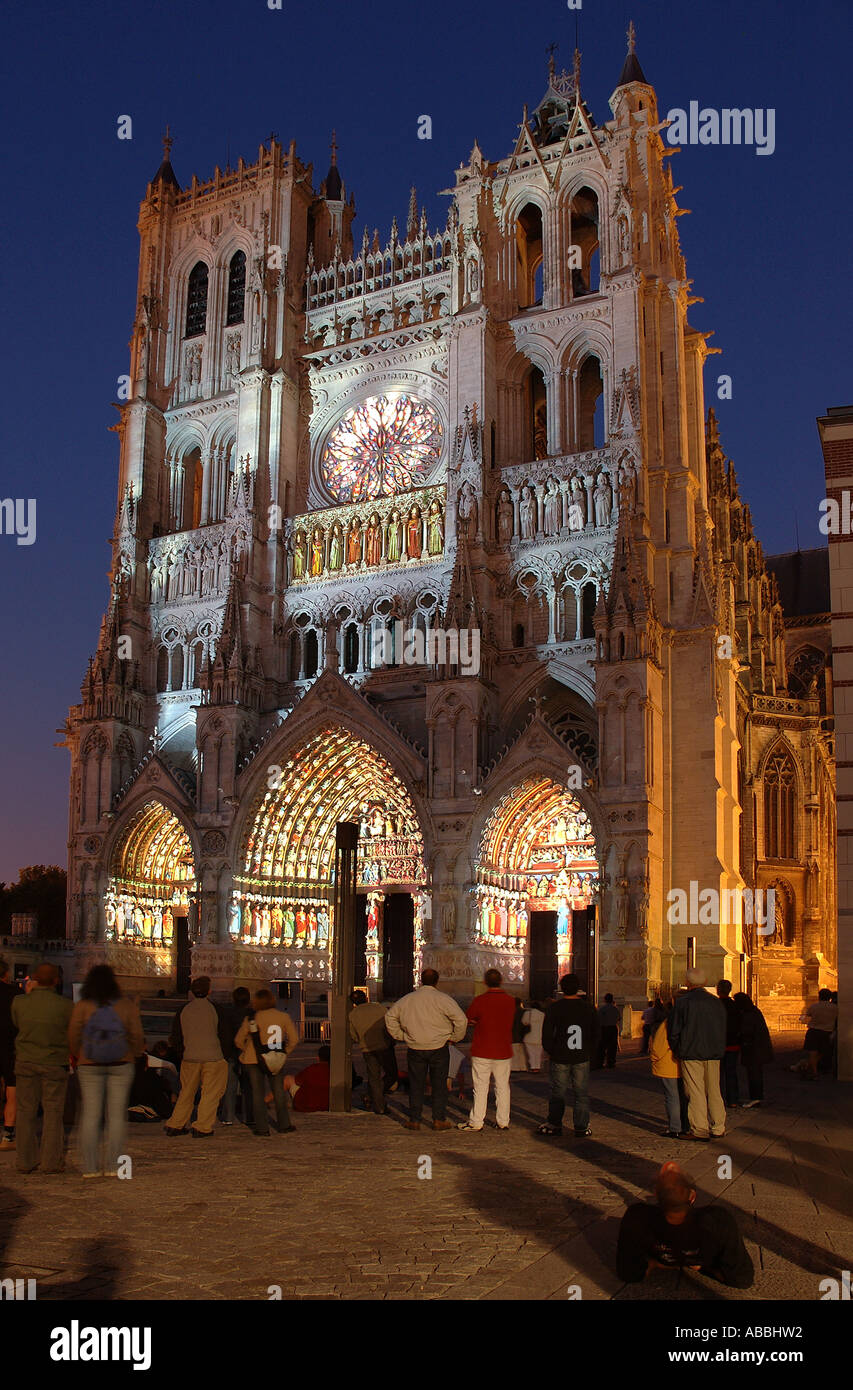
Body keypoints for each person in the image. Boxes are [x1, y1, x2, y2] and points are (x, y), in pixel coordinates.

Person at [617, 1162, 754, 1288]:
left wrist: (657, 1263)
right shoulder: (718, 1220)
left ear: (656, 1194)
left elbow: (629, 1273)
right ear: (692, 1196)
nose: (670, 1166)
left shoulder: (638, 1217)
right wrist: (701, 1267)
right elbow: (742, 1279)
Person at [69, 964, 144, 1177]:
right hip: (121, 1064)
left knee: (90, 1116)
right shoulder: (125, 1005)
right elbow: (137, 1034)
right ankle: (114, 1167)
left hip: (89, 1064)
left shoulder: (83, 1005)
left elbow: (73, 1034)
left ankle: (90, 1168)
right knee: (117, 1117)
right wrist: (134, 1054)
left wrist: (79, 1054)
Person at [385, 968, 468, 1131]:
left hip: (415, 1046)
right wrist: (454, 1037)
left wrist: (400, 1035)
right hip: (439, 1046)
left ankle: (415, 1119)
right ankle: (439, 1119)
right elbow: (461, 1020)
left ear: (421, 980)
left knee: (416, 1084)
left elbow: (390, 1016)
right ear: (437, 981)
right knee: (439, 1084)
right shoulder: (443, 999)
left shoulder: (408, 999)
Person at [11, 963, 73, 1174]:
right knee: (53, 1113)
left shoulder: (19, 1002)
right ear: (56, 981)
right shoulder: (65, 1006)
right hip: (55, 1063)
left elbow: (17, 1024)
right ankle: (51, 1162)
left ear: (34, 979)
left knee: (25, 1112)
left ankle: (25, 1161)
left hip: (26, 1060)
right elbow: (71, 1033)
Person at [165, 977, 229, 1138]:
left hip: (190, 1057)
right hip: (213, 1057)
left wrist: (182, 1053)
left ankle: (176, 1124)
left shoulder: (184, 1009)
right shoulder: (216, 1009)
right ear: (209, 991)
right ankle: (202, 1126)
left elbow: (176, 1035)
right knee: (210, 1093)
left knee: (186, 1092)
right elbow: (224, 1034)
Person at [537, 974, 600, 1137]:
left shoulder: (555, 1008)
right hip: (581, 1056)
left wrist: (552, 1050)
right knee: (581, 1093)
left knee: (558, 1092)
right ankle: (581, 1126)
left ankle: (555, 1123)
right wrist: (589, 1051)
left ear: (562, 988)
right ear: (578, 988)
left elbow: (547, 1034)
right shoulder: (588, 1008)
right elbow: (596, 1034)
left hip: (560, 1056)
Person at [668, 969, 726, 1141]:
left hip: (691, 1051)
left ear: (687, 983)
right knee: (714, 1090)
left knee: (695, 1091)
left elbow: (674, 1030)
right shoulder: (716, 1002)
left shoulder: (683, 1002)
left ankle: (699, 1129)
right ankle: (718, 1127)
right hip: (713, 1052)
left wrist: (677, 1049)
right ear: (705, 981)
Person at [458, 969, 517, 1132]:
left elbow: (469, 1018)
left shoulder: (480, 1000)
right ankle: (503, 1121)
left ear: (484, 982)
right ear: (501, 981)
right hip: (503, 1049)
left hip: (482, 1048)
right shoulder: (510, 1001)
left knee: (480, 1087)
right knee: (503, 1086)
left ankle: (477, 1121)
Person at [235, 988, 299, 1135]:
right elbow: (294, 1039)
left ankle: (262, 1128)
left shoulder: (251, 1019)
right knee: (278, 1092)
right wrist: (284, 1052)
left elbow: (238, 1040)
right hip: (275, 1057)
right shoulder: (283, 1017)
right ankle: (284, 1124)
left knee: (257, 1093)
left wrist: (246, 1050)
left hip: (253, 1059)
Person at [348, 989, 396, 1115]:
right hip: (384, 1046)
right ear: (366, 997)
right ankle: (372, 1096)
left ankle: (379, 1106)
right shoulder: (379, 1008)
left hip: (367, 1049)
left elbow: (353, 1035)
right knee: (392, 1074)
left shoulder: (353, 1014)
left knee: (373, 1077)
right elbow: (389, 1025)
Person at [219, 986, 253, 1126]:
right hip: (248, 1054)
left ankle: (228, 1116)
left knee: (230, 1087)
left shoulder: (227, 1014)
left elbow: (224, 1035)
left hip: (231, 1054)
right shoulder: (252, 1014)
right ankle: (249, 1116)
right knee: (248, 1086)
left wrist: (225, 1053)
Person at [650, 1013, 687, 1137]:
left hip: (669, 1063)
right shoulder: (688, 1019)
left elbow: (658, 1045)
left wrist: (654, 1058)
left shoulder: (669, 1022)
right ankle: (686, 1125)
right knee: (683, 1096)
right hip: (685, 1063)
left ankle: (675, 1127)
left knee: (672, 1096)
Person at [733, 993, 772, 1107]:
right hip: (758, 1048)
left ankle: (756, 1097)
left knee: (754, 1074)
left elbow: (747, 1032)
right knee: (756, 1073)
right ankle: (757, 1096)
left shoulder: (748, 1014)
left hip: (754, 1049)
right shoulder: (754, 1011)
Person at [0, 958, 20, 1150]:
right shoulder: (15, 993)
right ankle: (8, 1134)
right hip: (10, 1046)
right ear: (6, 974)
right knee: (12, 1089)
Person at [716, 979, 741, 1108]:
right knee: (731, 1073)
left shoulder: (715, 1005)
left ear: (718, 990)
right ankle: (733, 1099)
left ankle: (717, 1099)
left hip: (718, 1045)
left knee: (717, 1074)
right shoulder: (735, 1006)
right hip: (733, 1044)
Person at [284, 1044, 331, 1112]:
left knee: (288, 1079)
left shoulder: (312, 1068)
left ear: (318, 1058)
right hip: (326, 1105)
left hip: (306, 1105)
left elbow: (298, 1080)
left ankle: (266, 1101)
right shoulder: (334, 1071)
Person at [803, 989, 838, 1079]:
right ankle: (811, 1067)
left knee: (812, 1051)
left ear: (819, 996)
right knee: (823, 1051)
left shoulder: (814, 1006)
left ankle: (813, 1071)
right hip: (827, 1032)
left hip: (813, 1031)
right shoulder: (835, 1008)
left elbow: (807, 1015)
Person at [596, 992, 620, 1070]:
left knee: (602, 1046)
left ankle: (600, 1062)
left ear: (605, 999)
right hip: (613, 1027)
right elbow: (619, 1018)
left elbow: (598, 1019)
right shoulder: (615, 1008)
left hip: (605, 1028)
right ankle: (611, 1062)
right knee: (612, 1046)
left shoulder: (602, 1009)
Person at [521, 1001, 545, 1072]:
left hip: (529, 1036)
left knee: (531, 1053)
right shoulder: (542, 1014)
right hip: (539, 1036)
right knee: (538, 1053)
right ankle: (537, 1067)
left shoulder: (527, 1013)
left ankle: (533, 1067)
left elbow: (523, 1022)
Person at [510, 997, 528, 1072]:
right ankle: (523, 1067)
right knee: (521, 1051)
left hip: (514, 1033)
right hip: (523, 1033)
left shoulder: (511, 1011)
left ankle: (515, 1067)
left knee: (514, 1051)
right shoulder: (524, 1011)